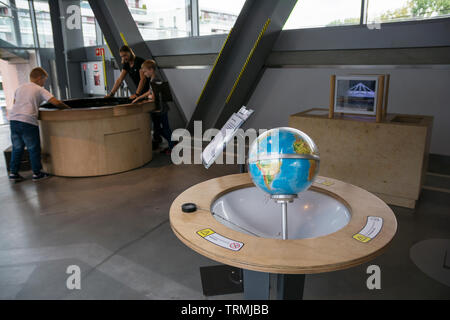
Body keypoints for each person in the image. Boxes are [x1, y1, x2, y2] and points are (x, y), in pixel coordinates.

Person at [8, 67, 70, 182]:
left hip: (13, 120)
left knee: (17, 148)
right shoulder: (39, 89)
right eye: (44, 80)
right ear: (39, 78)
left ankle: (13, 173)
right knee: (33, 148)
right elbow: (56, 102)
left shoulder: (20, 88)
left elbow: (15, 104)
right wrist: (69, 109)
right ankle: (37, 173)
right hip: (28, 121)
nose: (44, 83)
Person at [132, 59, 175, 154]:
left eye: (145, 71)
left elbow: (154, 95)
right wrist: (139, 97)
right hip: (158, 109)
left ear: (151, 70)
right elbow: (150, 92)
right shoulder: (152, 79)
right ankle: (172, 143)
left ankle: (172, 146)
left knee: (165, 128)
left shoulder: (156, 79)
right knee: (159, 129)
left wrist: (149, 97)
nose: (144, 74)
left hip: (162, 109)